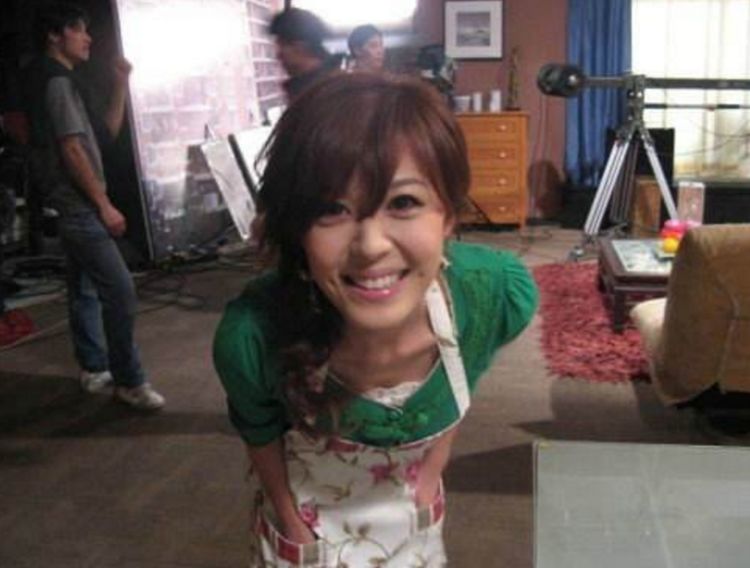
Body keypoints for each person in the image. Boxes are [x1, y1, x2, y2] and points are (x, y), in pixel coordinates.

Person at [213, 73, 537, 566]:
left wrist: (431, 476)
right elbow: (257, 427)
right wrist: (289, 518)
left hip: (414, 522)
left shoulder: (493, 297)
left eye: (403, 203)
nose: (370, 247)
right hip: (309, 528)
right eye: (332, 209)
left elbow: (469, 370)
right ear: (297, 229)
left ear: (448, 215)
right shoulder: (253, 336)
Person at [25, 2, 164, 410]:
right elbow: (71, 148)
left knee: (83, 287)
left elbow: (106, 134)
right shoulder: (56, 82)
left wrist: (120, 83)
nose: (88, 37)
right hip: (78, 205)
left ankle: (93, 366)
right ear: (55, 36)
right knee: (120, 291)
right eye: (78, 30)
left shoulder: (69, 81)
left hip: (75, 204)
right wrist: (103, 204)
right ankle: (129, 380)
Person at [269, 7, 340, 101]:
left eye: (282, 45)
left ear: (300, 46)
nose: (278, 56)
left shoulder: (326, 90)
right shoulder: (328, 82)